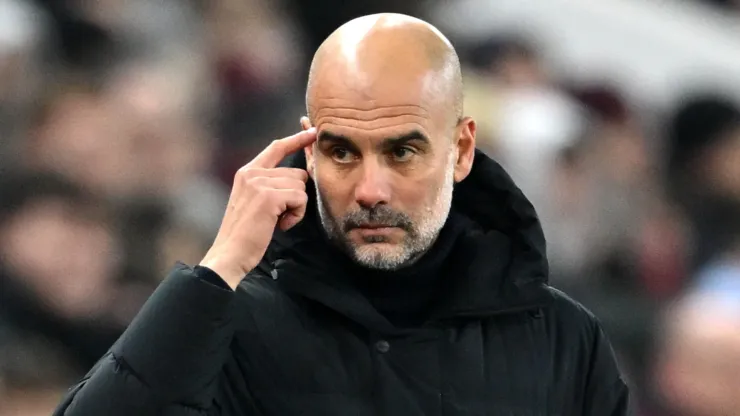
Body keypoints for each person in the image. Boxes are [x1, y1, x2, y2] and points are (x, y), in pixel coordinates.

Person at [53, 14, 629, 415]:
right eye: (341, 152)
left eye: (402, 151)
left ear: (460, 150)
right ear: (306, 150)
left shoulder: (564, 340)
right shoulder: (232, 322)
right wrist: (220, 265)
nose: (370, 189)